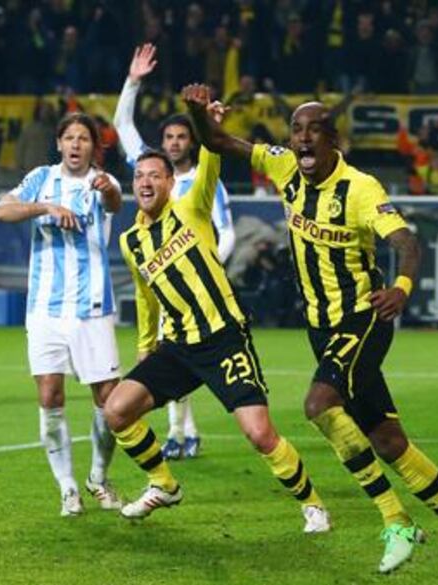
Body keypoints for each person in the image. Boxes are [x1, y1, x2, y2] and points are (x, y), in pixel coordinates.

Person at [183, 83, 438, 584]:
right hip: (321, 326)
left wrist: (401, 286)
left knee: (318, 405)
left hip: (364, 316)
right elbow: (220, 143)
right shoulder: (285, 164)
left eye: (314, 131)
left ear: (334, 139)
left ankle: (396, 520)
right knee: (389, 440)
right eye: (297, 131)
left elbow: (406, 242)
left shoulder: (361, 189)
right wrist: (196, 114)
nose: (302, 139)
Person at [103, 135, 329, 533]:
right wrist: (144, 346)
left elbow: (210, 161)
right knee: (117, 411)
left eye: (155, 175)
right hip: (178, 346)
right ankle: (164, 484)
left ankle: (312, 505)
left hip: (224, 338)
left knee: (260, 434)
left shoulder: (192, 208)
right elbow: (145, 296)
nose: (145, 182)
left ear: (171, 182)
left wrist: (207, 125)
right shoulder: (131, 242)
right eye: (139, 176)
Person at [0, 112, 123, 516]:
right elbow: (0, 210)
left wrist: (106, 190)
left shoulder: (103, 181)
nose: (76, 144)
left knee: (110, 402)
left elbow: (114, 200)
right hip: (45, 309)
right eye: (70, 137)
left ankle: (98, 478)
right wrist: (43, 207)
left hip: (92, 308)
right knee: (50, 396)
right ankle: (67, 488)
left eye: (84, 138)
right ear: (60, 142)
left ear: (93, 147)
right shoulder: (41, 179)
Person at [114, 43, 237, 460]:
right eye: (168, 136)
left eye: (182, 135)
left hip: (200, 285)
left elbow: (226, 231)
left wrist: (207, 264)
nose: (174, 142)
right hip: (163, 283)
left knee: (184, 358)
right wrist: (133, 81)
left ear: (191, 140)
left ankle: (184, 432)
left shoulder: (204, 181)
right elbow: (122, 125)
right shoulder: (151, 171)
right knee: (171, 355)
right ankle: (181, 432)